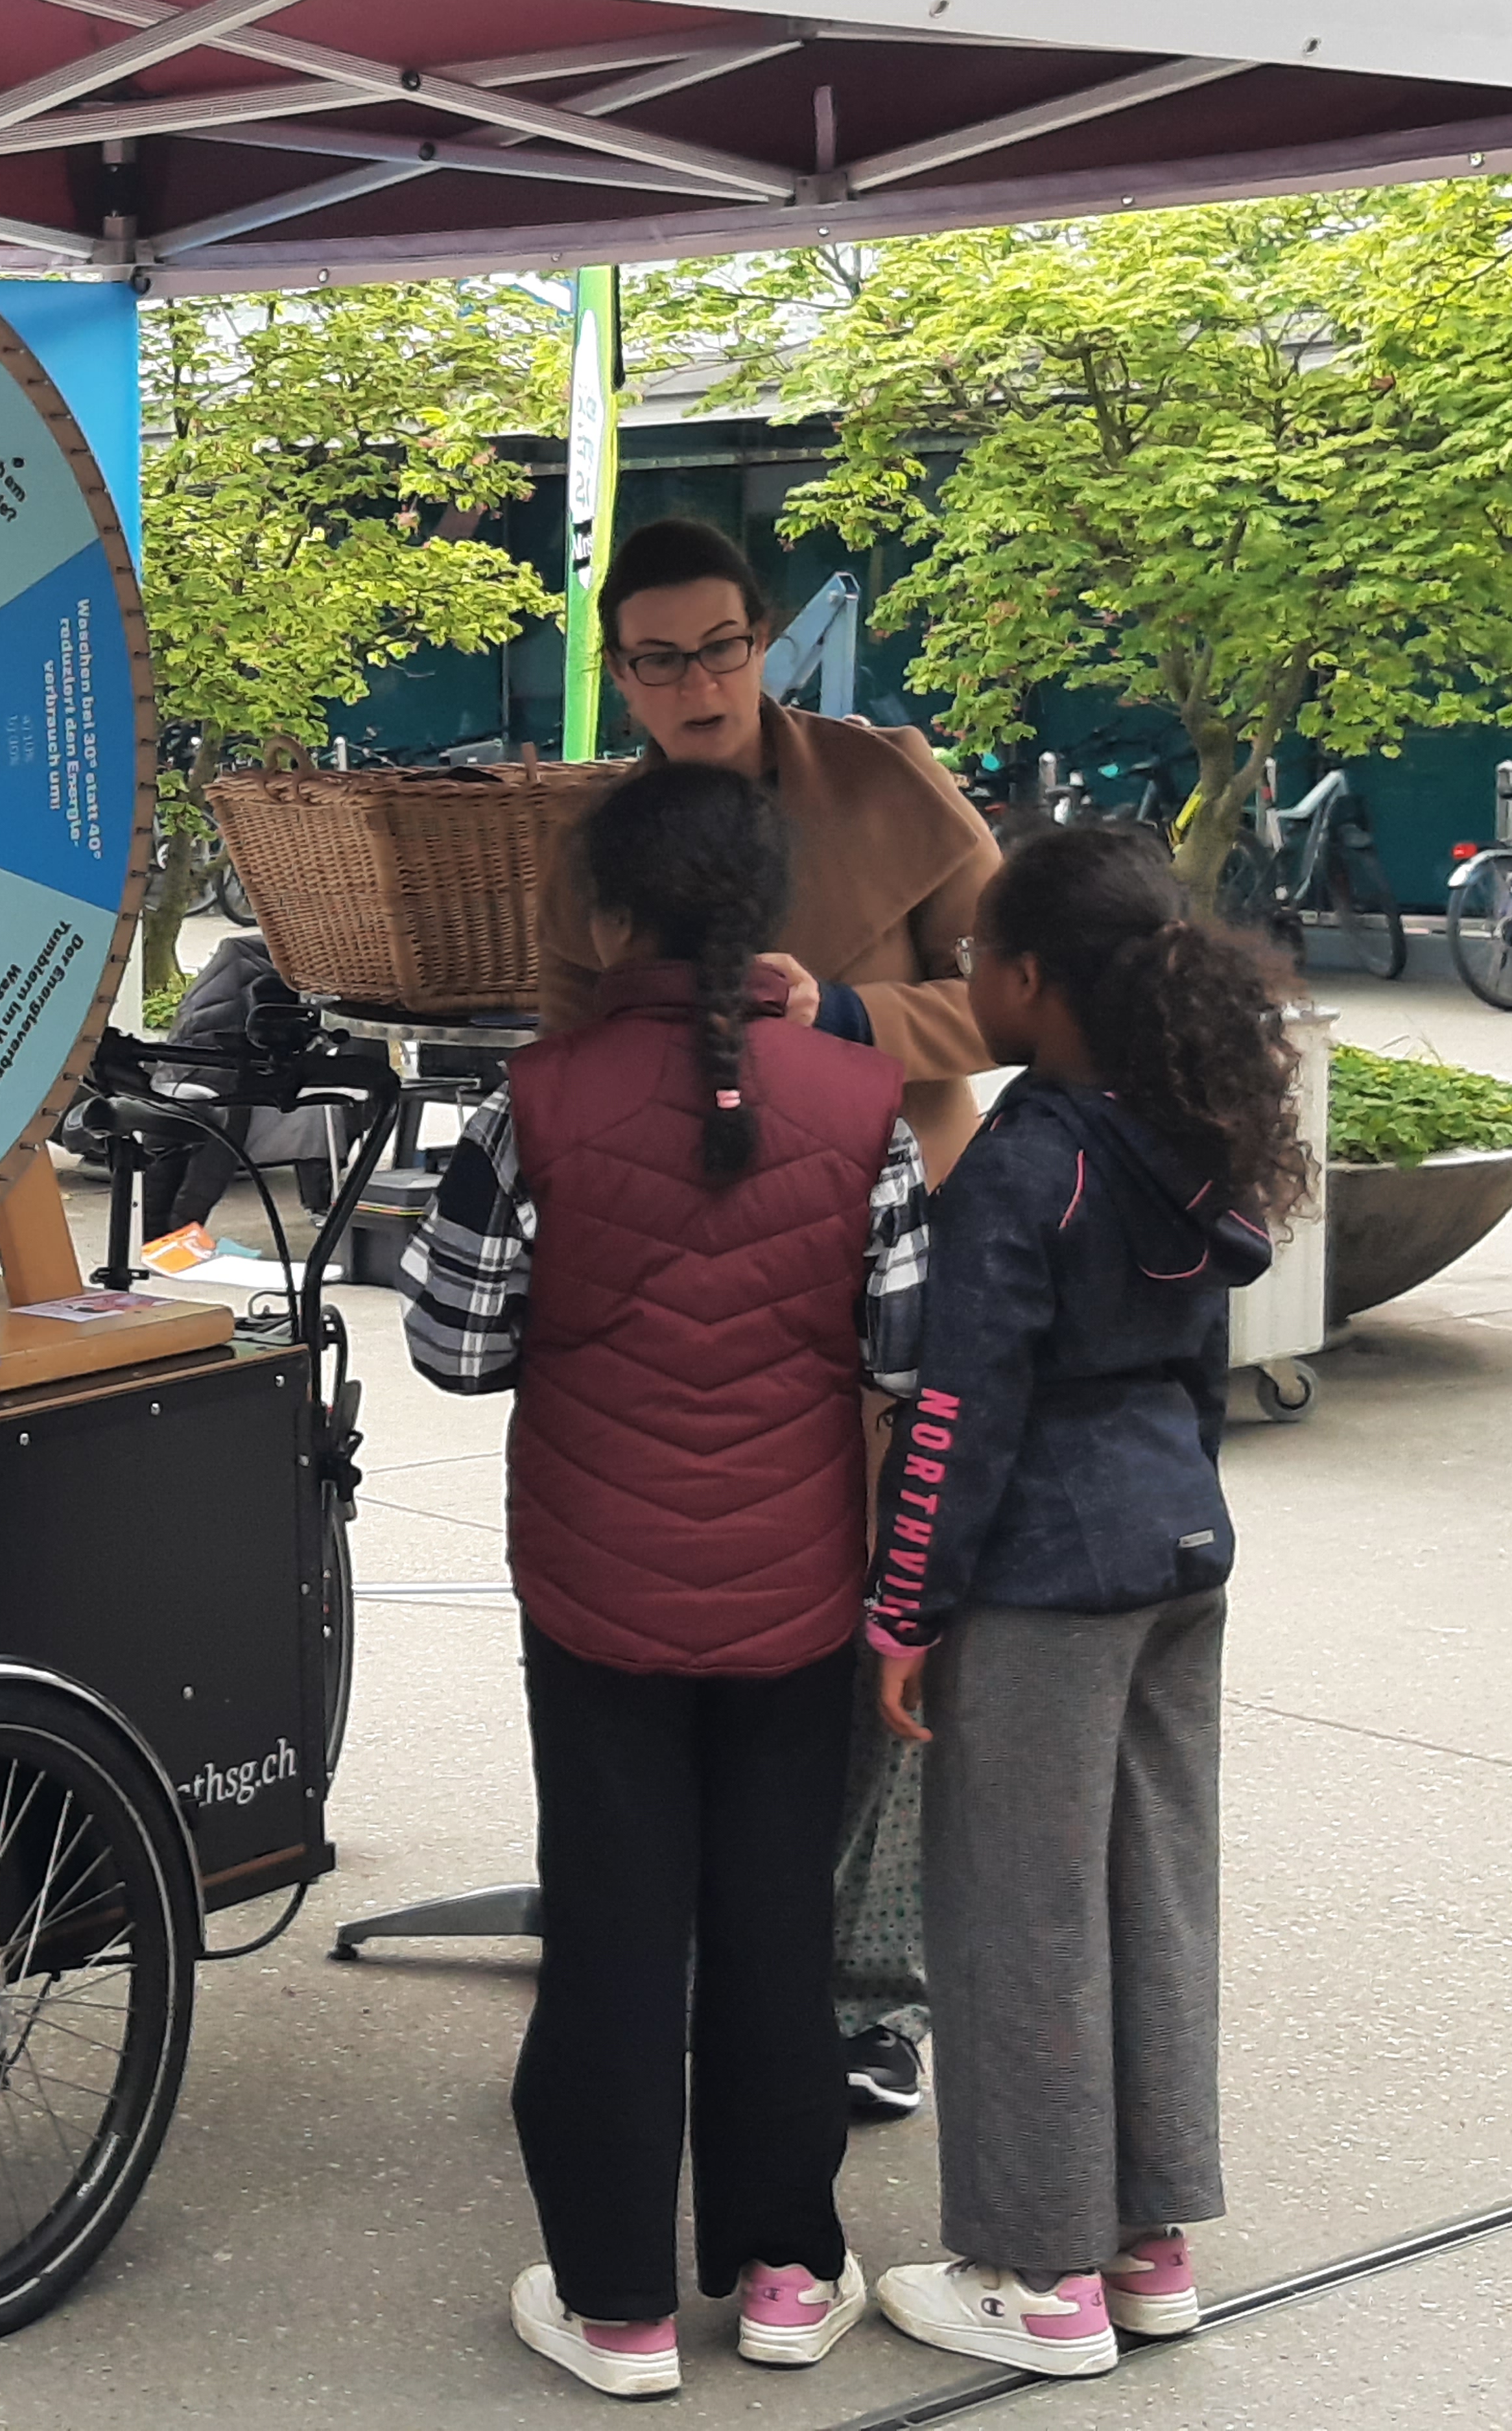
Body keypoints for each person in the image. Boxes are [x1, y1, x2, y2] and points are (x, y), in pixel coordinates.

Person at [401, 764, 930, 2396]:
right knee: (775, 1924)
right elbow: (902, 1349)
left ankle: (618, 2304)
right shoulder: (865, 1102)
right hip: (792, 1592)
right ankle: (788, 2273)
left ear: (613, 913)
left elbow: (454, 1345)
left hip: (594, 1592)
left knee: (615, 1930)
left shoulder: (533, 1099)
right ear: (767, 911)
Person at [536, 515, 1004, 2123]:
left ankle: (866, 1992)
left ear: (766, 640)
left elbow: (1021, 989)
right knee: (685, 1642)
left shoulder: (888, 784)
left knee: (886, 1631)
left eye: (723, 647)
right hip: (680, 1297)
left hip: (897, 1273)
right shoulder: (599, 838)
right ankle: (692, 1971)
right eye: (660, 660)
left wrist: (850, 1011)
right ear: (621, 674)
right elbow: (569, 1042)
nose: (699, 684)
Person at [862, 822, 1308, 2380]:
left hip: (1046, 1579)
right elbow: (1201, 1372)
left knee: (1022, 1912)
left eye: (976, 956)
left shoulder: (1025, 1159)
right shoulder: (1188, 1131)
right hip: (1181, 1549)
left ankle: (1038, 2272)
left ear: (1032, 978)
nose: (967, 979)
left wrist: (904, 1607)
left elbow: (962, 1408)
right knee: (1154, 1891)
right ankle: (1147, 2242)